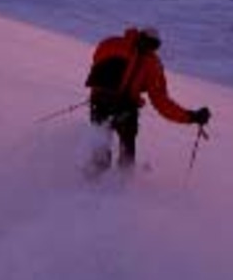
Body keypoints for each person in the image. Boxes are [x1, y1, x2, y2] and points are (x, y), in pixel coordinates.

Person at [85, 26, 210, 172]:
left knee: (113, 145)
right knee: (114, 147)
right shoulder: (138, 57)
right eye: (149, 44)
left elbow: (161, 101)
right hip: (114, 106)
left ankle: (106, 183)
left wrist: (190, 117)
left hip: (111, 105)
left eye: (153, 46)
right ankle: (109, 183)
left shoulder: (115, 46)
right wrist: (191, 117)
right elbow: (161, 102)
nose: (149, 48)